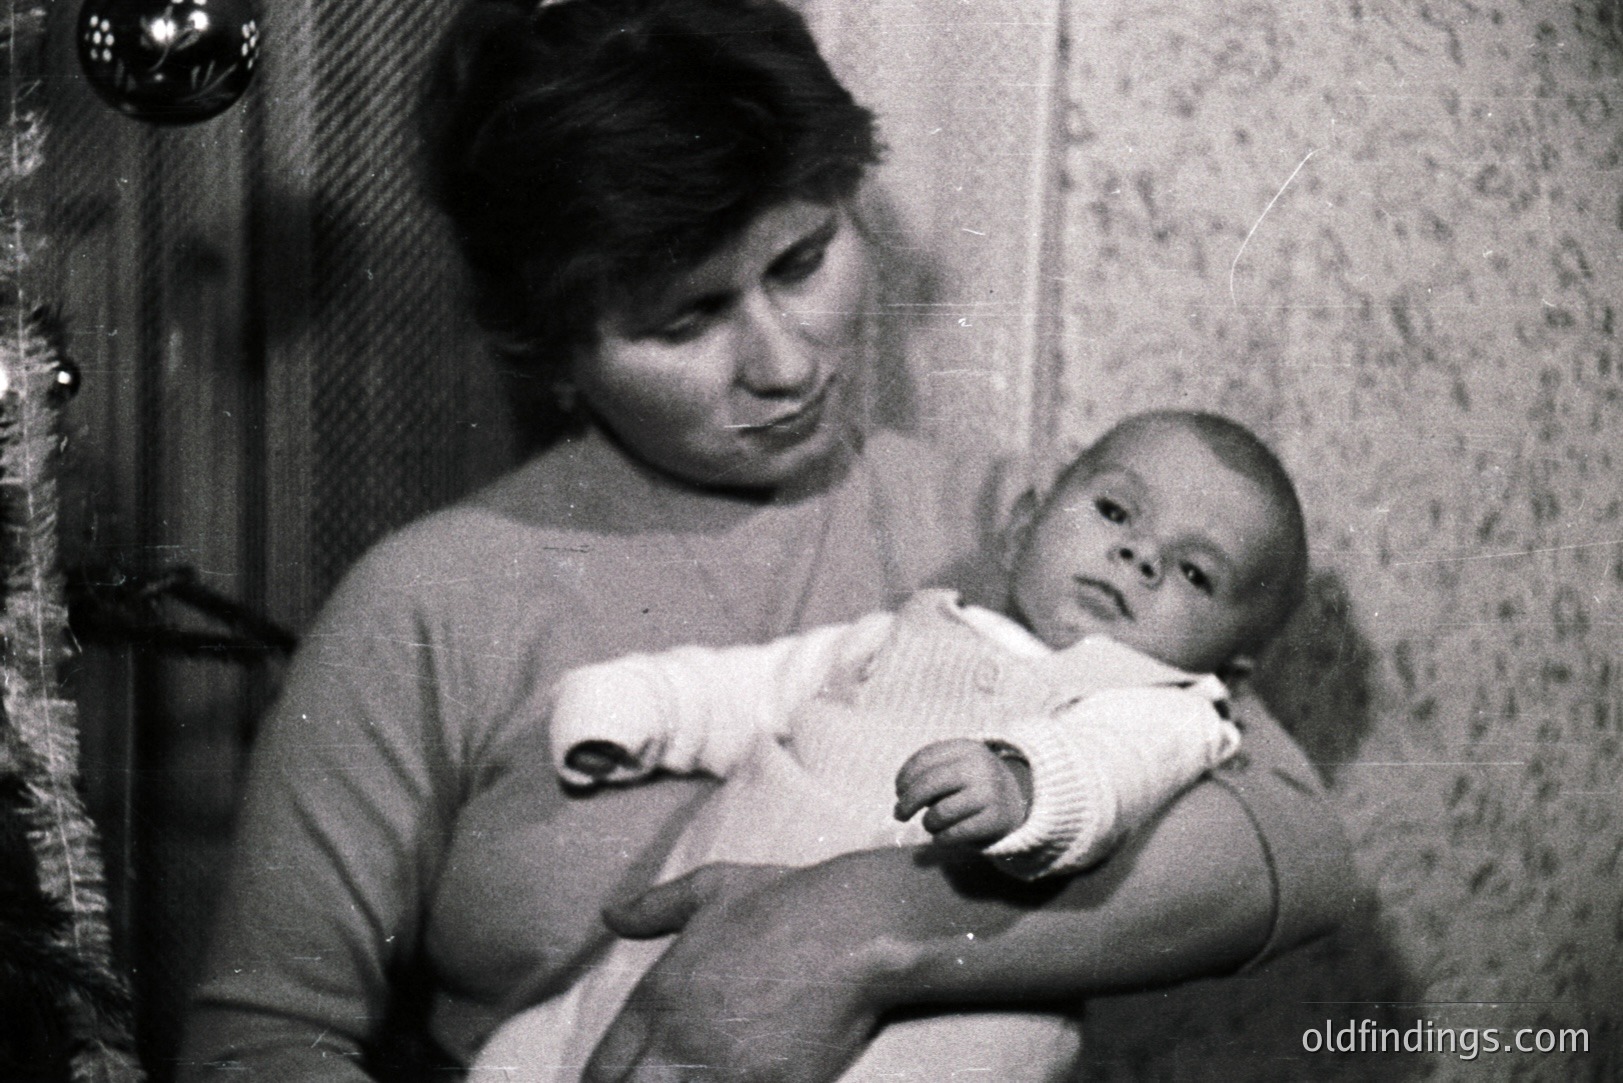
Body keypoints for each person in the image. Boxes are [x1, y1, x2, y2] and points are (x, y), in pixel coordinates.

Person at [178, 2, 1354, 1081]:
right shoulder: (429, 601)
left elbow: (1292, 842)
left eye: (802, 261)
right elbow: (265, 1040)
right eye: (685, 317)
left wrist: (857, 932)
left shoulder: (1010, 529)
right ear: (557, 347)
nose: (786, 365)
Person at [471, 410, 1306, 1081]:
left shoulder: (1165, 704)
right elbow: (762, 684)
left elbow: (1113, 768)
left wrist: (1022, 782)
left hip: (932, 1016)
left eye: (1196, 574)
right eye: (1115, 511)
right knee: (550, 1045)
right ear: (1022, 525)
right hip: (697, 923)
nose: (1138, 556)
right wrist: (637, 702)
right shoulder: (912, 624)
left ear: (1231, 667)